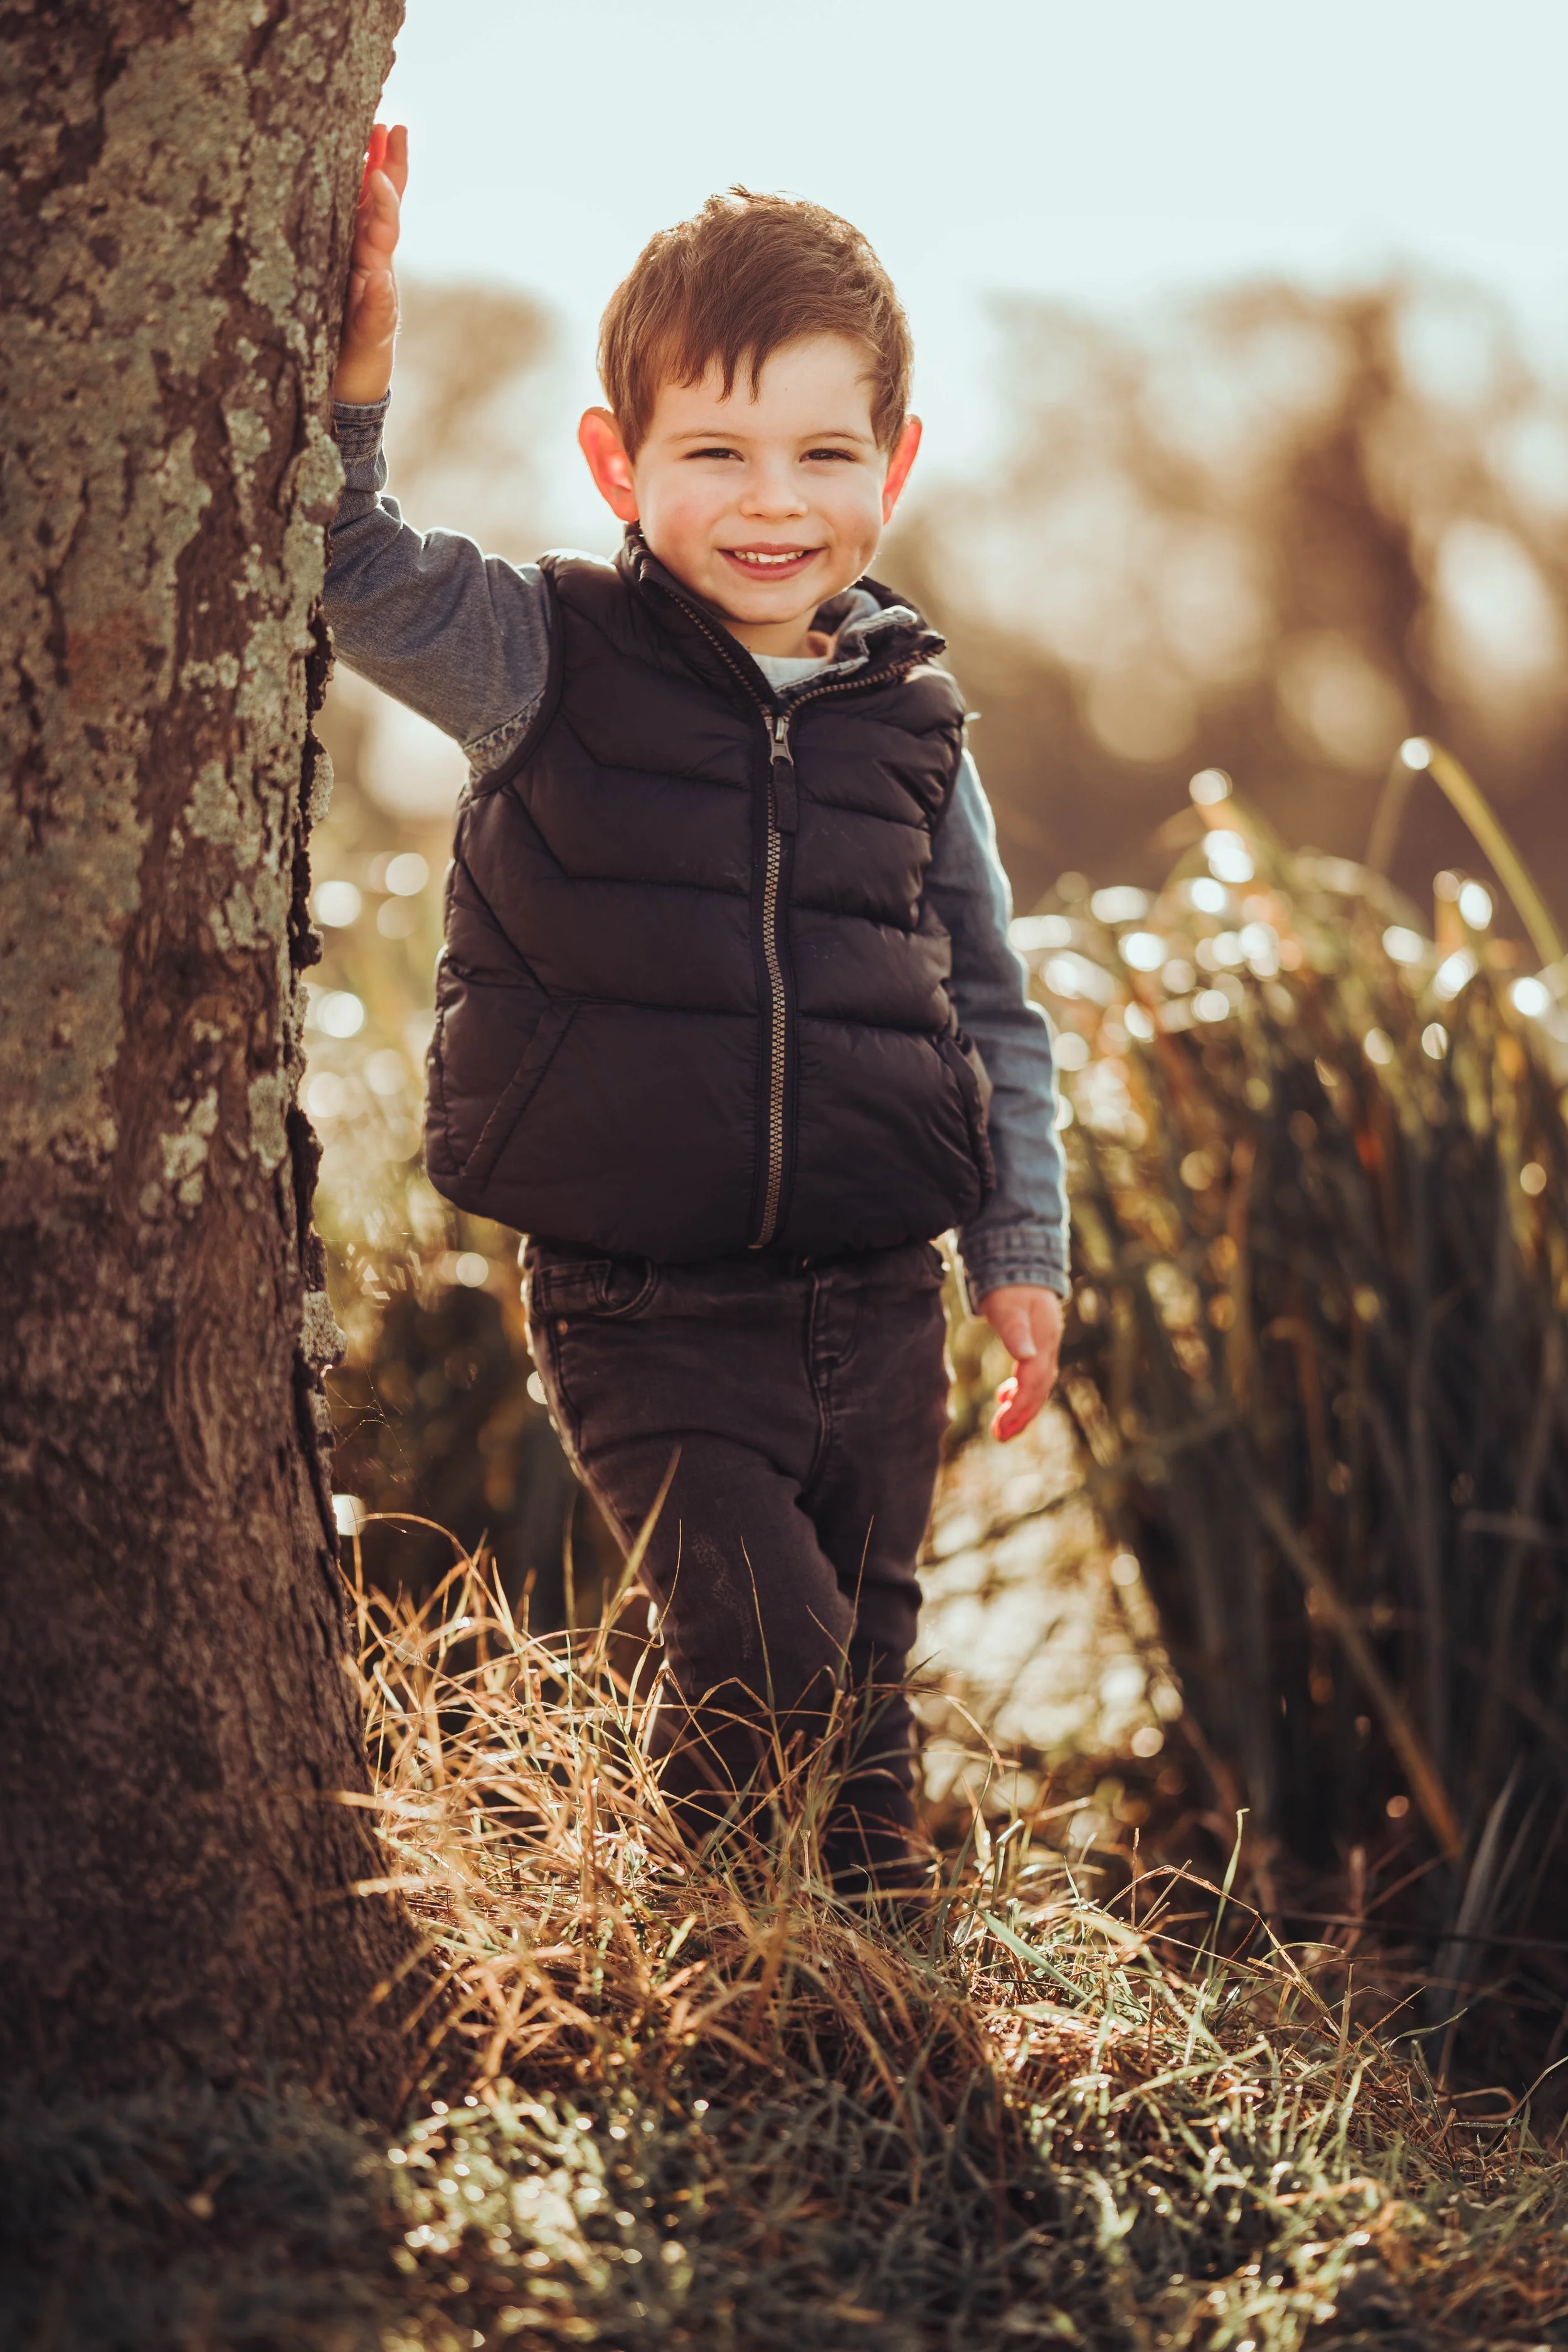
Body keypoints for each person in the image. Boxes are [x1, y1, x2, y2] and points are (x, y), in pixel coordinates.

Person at [325, 124, 1070, 1905]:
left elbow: (987, 996)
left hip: (880, 1307)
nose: (771, 501)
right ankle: (739, 1958)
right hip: (642, 1305)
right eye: (714, 451)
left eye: (822, 451)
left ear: (891, 462)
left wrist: (1018, 1237)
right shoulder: (540, 657)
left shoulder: (913, 724)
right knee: (770, 1661)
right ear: (615, 461)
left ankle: (845, 2019)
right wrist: (354, 387)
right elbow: (344, 569)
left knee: (859, 1721)